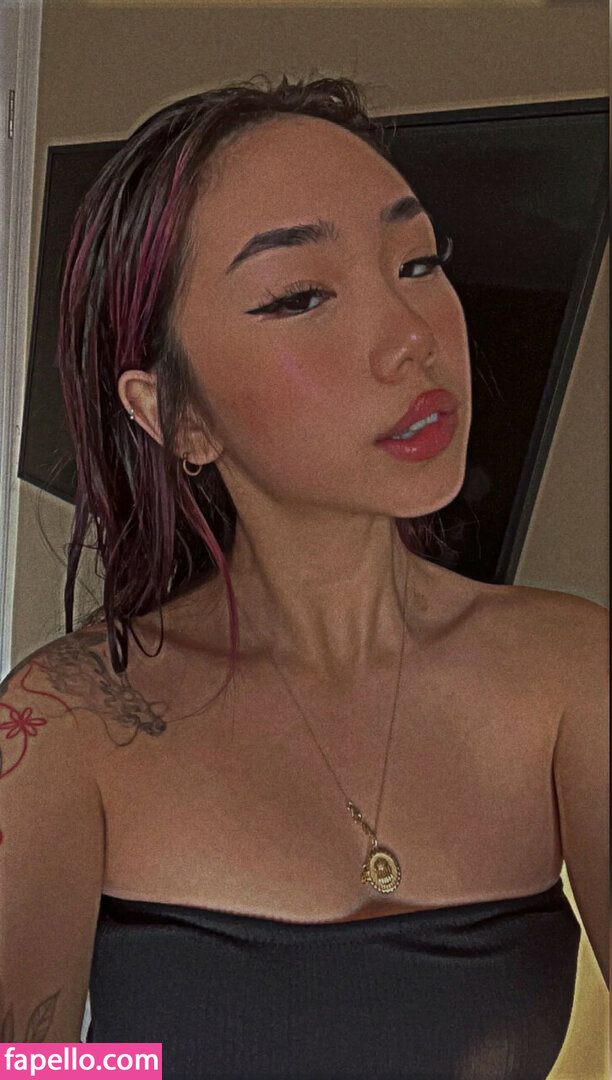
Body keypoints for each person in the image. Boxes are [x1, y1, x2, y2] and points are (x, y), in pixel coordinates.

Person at [0, 73, 608, 1079]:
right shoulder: (69, 723)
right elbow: (26, 1064)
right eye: (300, 296)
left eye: (419, 262)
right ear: (175, 415)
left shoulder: (573, 672)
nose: (414, 335)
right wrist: (142, 1066)